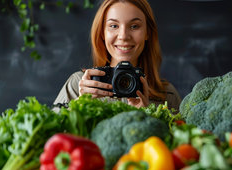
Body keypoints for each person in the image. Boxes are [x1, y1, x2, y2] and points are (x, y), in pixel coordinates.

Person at [53, 0, 181, 111]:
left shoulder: (167, 95)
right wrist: (80, 106)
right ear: (102, 33)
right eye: (113, 25)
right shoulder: (79, 84)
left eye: (134, 26)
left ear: (147, 32)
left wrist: (146, 117)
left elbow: (183, 138)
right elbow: (50, 137)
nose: (123, 36)